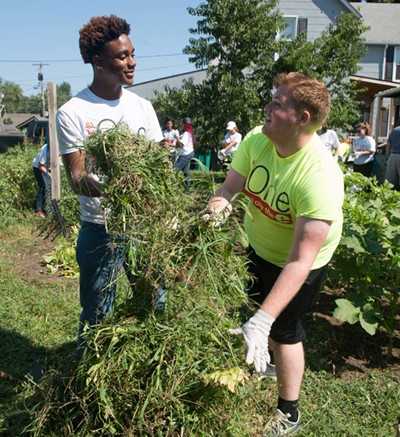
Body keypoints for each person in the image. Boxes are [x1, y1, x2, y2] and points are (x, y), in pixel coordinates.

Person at [203, 73, 343, 435]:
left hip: (301, 264)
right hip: (260, 246)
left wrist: (263, 321)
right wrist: (214, 213)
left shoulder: (319, 177)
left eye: (278, 104)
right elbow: (230, 188)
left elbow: (300, 260)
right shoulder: (257, 139)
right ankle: (264, 361)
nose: (267, 108)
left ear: (302, 118)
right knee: (257, 303)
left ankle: (288, 411)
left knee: (284, 330)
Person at [56, 15, 163, 346]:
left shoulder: (143, 107)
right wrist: (117, 191)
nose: (132, 62)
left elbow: (160, 167)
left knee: (154, 305)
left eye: (132, 54)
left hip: (144, 227)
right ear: (98, 62)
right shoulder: (73, 112)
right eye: (122, 56)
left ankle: (147, 366)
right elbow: (77, 177)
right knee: (97, 312)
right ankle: (89, 369)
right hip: (100, 229)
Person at [175, 117, 195, 187]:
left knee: (175, 169)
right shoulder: (188, 133)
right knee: (186, 171)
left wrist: (177, 137)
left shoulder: (186, 134)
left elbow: (181, 145)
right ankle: (187, 187)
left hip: (186, 154)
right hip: (189, 153)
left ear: (184, 124)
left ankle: (171, 185)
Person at [32, 143, 50, 218]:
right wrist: (49, 175)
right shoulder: (46, 148)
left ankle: (46, 208)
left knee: (49, 187)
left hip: (47, 167)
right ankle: (39, 210)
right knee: (43, 186)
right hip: (37, 167)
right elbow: (41, 166)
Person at [385, 124, 400, 190]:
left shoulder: (395, 130)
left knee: (390, 183)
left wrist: (387, 156)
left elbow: (388, 145)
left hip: (393, 156)